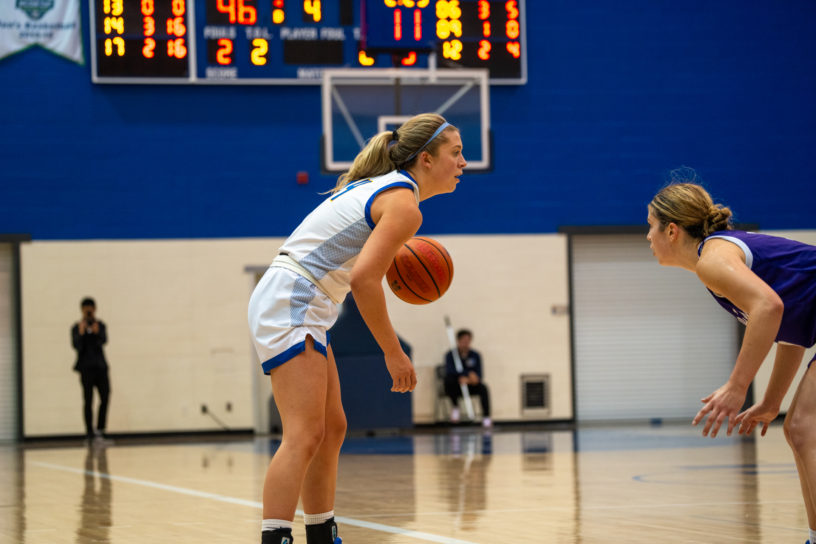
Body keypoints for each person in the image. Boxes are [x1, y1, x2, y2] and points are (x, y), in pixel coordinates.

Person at [248, 113, 466, 544]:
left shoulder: (387, 188)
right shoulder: (404, 203)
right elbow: (366, 279)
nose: (463, 163)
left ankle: (321, 533)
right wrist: (393, 351)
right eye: (456, 153)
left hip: (300, 298)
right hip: (295, 297)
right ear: (425, 159)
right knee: (304, 433)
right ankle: (276, 539)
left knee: (332, 427)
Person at [647, 169, 816, 544]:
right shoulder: (720, 259)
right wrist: (771, 403)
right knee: (799, 429)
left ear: (672, 231)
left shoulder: (713, 259)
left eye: (651, 225)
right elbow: (792, 331)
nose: (647, 236)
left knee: (804, 428)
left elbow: (768, 308)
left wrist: (738, 387)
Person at [71, 297, 112, 445]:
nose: (88, 311)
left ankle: (100, 430)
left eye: (91, 308)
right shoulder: (76, 327)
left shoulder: (100, 325)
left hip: (100, 367)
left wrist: (96, 332)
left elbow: (104, 340)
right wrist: (81, 333)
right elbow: (76, 346)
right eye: (86, 308)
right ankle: (89, 433)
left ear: (95, 309)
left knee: (105, 397)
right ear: (82, 310)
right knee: (88, 400)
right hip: (86, 369)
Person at [444, 329, 491, 427]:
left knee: (484, 388)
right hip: (456, 385)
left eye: (468, 341)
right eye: (463, 341)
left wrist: (469, 379)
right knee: (448, 381)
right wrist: (466, 374)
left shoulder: (475, 355)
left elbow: (479, 374)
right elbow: (450, 371)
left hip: (470, 385)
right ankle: (455, 408)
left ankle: (486, 417)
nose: (466, 343)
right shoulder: (451, 355)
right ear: (458, 341)